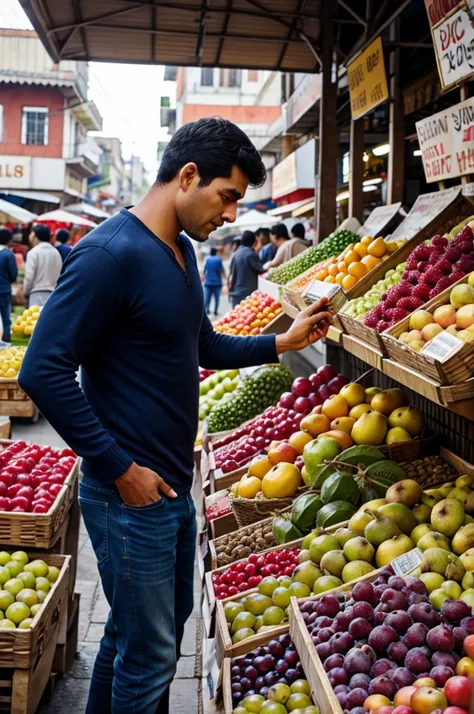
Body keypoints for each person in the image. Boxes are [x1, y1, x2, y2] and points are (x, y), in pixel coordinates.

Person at [18, 117, 333, 714]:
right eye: (228, 195)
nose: (233, 215)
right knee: (155, 657)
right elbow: (43, 372)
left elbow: (202, 346)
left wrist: (282, 343)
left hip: (166, 493)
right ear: (188, 176)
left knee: (131, 642)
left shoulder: (181, 251)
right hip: (128, 498)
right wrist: (118, 467)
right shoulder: (110, 254)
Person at [23, 225, 62, 307]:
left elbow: (29, 276)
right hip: (52, 294)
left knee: (34, 318)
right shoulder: (56, 253)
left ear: (35, 237)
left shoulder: (33, 253)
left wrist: (26, 292)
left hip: (36, 294)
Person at [228, 230, 264, 307]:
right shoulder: (250, 254)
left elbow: (230, 275)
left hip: (236, 293)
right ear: (254, 242)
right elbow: (261, 270)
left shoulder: (236, 253)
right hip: (247, 294)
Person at [0, 228, 18, 342]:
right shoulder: (8, 254)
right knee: (6, 319)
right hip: (4, 291)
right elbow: (13, 274)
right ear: (8, 240)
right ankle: (5, 343)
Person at [203, 247, 225, 316]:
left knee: (207, 298)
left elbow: (204, 271)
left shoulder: (207, 259)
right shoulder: (218, 259)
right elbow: (221, 270)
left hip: (208, 283)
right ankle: (215, 311)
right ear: (216, 252)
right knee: (217, 298)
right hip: (217, 283)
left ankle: (207, 311)